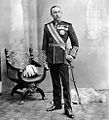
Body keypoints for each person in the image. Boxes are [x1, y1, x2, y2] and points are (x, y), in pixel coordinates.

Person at [42, 5, 79, 118]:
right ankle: (57, 104)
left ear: (61, 13)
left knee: (65, 84)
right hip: (51, 59)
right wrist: (45, 60)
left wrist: (71, 55)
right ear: (51, 14)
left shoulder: (68, 26)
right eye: (54, 12)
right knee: (56, 83)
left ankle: (68, 107)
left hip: (63, 59)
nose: (57, 14)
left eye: (58, 12)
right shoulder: (47, 27)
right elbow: (44, 45)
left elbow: (75, 44)